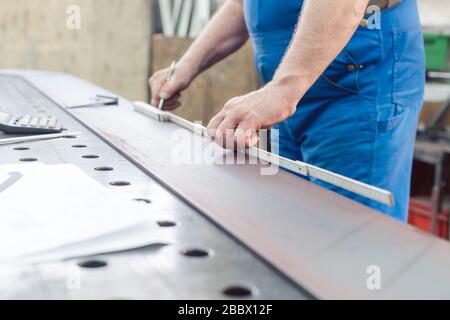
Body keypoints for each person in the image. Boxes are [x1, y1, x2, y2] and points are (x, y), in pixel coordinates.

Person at [149, 0, 425, 221]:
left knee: (352, 238)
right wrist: (188, 64)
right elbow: (240, 5)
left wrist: (283, 91)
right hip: (284, 95)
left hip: (356, 87)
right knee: (287, 226)